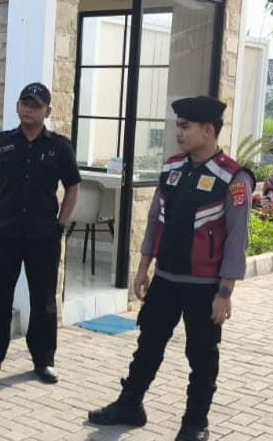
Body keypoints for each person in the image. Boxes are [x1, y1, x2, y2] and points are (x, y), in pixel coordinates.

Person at [88, 96, 255, 441]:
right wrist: (142, 268)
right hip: (165, 279)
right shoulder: (172, 167)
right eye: (178, 125)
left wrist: (225, 292)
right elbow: (155, 220)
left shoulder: (233, 177)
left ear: (208, 130)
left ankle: (195, 424)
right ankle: (130, 405)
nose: (178, 132)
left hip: (204, 286)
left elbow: (237, 239)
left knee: (202, 356)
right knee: (148, 344)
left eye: (185, 126)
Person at [0, 82, 81, 384]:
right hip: (5, 234)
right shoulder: (2, 143)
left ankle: (44, 360)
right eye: (25, 104)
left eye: (35, 105)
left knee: (44, 300)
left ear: (47, 111)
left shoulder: (59, 147)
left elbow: (73, 186)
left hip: (43, 236)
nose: (28, 110)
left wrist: (60, 224)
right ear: (17, 107)